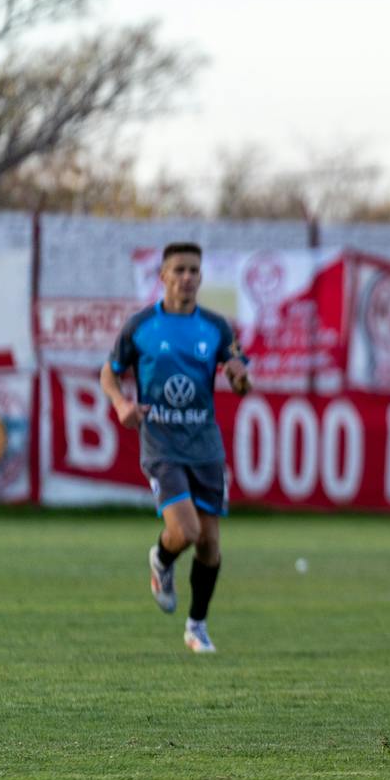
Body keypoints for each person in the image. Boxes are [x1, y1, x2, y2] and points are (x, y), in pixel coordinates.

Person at [99, 242, 251, 653]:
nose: (187, 277)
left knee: (210, 544)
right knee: (186, 531)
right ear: (163, 276)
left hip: (205, 445)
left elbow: (242, 382)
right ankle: (162, 559)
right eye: (179, 270)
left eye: (194, 271)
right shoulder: (141, 326)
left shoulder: (218, 328)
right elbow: (109, 374)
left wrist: (239, 377)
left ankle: (196, 627)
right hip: (161, 443)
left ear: (201, 278)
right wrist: (121, 404)